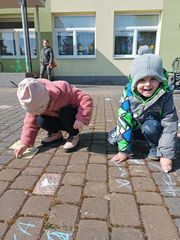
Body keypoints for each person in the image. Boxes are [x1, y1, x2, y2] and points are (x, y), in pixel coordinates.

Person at [108, 45, 178, 172]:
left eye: (153, 79)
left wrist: (166, 154)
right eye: (142, 80)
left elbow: (170, 122)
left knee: (150, 127)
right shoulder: (128, 93)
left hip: (153, 128)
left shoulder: (165, 94)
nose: (147, 84)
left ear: (160, 79)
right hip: (136, 125)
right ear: (134, 81)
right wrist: (123, 150)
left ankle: (155, 145)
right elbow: (123, 119)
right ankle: (133, 140)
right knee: (113, 139)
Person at [14, 78, 93, 157]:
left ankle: (73, 136)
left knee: (66, 112)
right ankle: (56, 134)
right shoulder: (32, 103)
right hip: (57, 120)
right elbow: (30, 124)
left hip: (72, 120)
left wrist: (81, 117)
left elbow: (85, 98)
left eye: (44, 107)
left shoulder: (63, 88)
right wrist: (24, 143)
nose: (44, 110)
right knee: (40, 120)